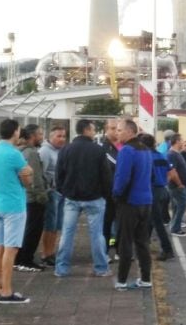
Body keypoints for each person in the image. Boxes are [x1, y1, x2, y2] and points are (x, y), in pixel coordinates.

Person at [54, 119, 113, 278]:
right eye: (93, 130)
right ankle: (101, 268)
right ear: (87, 130)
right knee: (97, 234)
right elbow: (106, 176)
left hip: (71, 198)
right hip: (94, 198)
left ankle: (62, 268)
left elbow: (59, 175)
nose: (94, 133)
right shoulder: (98, 151)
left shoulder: (66, 150)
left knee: (67, 233)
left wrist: (64, 191)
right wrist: (105, 194)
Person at [0, 119, 33, 303]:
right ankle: (7, 291)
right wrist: (29, 172)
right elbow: (27, 179)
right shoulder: (14, 154)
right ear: (15, 132)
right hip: (13, 206)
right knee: (11, 249)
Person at [112, 120, 153, 291]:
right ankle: (145, 279)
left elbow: (122, 177)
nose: (117, 133)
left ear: (130, 132)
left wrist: (116, 194)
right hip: (146, 201)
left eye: (120, 130)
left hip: (130, 202)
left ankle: (121, 280)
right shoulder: (146, 150)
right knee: (142, 242)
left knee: (125, 242)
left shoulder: (127, 151)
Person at [15, 124, 48, 272]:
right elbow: (36, 178)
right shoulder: (31, 153)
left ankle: (20, 258)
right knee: (33, 230)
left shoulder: (18, 151)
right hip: (33, 198)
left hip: (23, 197)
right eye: (40, 134)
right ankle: (26, 260)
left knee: (25, 229)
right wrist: (42, 195)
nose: (42, 137)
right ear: (32, 136)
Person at [139, 134, 175, 262]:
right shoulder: (161, 156)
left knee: (157, 222)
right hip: (162, 190)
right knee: (150, 219)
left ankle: (167, 249)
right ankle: (144, 243)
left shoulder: (146, 157)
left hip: (152, 190)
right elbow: (170, 173)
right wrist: (164, 182)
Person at [39, 125, 66, 267]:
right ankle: (46, 253)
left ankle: (51, 252)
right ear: (51, 137)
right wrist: (48, 189)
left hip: (61, 192)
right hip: (51, 193)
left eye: (63, 136)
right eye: (58, 136)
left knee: (56, 225)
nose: (62, 139)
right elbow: (41, 173)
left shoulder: (60, 151)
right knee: (50, 225)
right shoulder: (45, 151)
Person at [101, 118, 120, 258]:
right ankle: (105, 251)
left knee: (121, 222)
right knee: (106, 223)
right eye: (113, 128)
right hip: (107, 193)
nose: (116, 131)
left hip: (121, 192)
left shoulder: (122, 146)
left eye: (118, 128)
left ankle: (120, 249)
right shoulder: (102, 147)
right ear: (106, 129)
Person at [167, 134, 186, 237]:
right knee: (182, 205)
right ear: (177, 141)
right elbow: (172, 172)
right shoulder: (172, 154)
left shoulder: (177, 153)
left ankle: (174, 225)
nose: (183, 142)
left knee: (177, 206)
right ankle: (176, 228)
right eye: (181, 140)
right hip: (177, 186)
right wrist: (180, 184)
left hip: (179, 186)